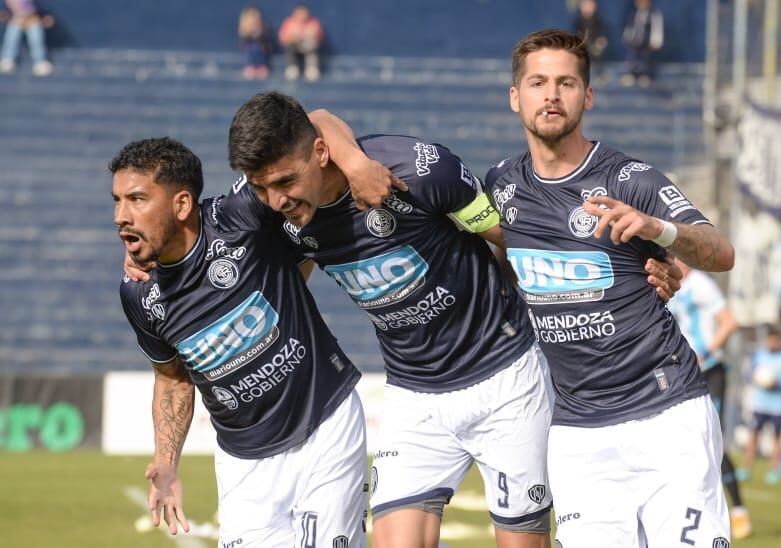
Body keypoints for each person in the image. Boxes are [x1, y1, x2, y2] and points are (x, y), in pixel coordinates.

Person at [224, 92, 684, 548]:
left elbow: (510, 234)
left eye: (284, 182)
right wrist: (148, 264)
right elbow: (201, 234)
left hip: (505, 377)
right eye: (262, 188)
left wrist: (641, 260)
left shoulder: (418, 172)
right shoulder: (270, 205)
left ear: (320, 152)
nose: (275, 200)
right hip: (414, 391)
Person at [484, 29, 735, 546]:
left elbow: (720, 251)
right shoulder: (500, 186)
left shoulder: (630, 179)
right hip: (577, 430)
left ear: (587, 96)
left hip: (666, 413)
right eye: (537, 82)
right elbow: (509, 265)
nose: (551, 94)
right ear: (516, 97)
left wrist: (656, 231)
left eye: (566, 83)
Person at [112, 137, 367, 547]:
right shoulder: (139, 294)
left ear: (180, 205)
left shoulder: (239, 216)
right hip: (243, 461)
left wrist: (355, 163)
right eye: (118, 200)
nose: (120, 216)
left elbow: (301, 133)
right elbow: (173, 379)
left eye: (137, 199)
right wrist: (166, 462)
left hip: (324, 425)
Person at [667, 259, 752, 540]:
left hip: (710, 371)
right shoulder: (670, 284)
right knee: (681, 442)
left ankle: (738, 511)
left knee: (712, 442)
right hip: (683, 373)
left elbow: (729, 322)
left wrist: (705, 349)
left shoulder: (700, 285)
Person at [737, 325, 781, 485]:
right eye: (770, 340)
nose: (772, 343)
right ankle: (746, 467)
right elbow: (750, 374)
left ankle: (774, 469)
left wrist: (779, 385)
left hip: (778, 405)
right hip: (760, 404)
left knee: (777, 437)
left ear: (779, 341)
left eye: (775, 341)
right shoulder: (759, 355)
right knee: (754, 434)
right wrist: (757, 379)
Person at [0, 0, 53, 76]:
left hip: (32, 18)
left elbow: (41, 7)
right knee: (11, 39)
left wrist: (44, 16)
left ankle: (40, 61)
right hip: (16, 19)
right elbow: (6, 8)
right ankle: (8, 60)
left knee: (36, 41)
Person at [621, 0, 663, 87]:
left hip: (648, 42)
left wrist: (656, 41)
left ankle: (646, 74)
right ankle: (631, 73)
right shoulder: (633, 13)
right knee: (632, 53)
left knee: (646, 54)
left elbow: (657, 29)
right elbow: (630, 27)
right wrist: (628, 37)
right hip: (636, 40)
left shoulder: (654, 14)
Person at [279, 3, 323, 81]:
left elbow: (319, 37)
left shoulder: (313, 22)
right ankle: (292, 68)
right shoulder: (289, 22)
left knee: (312, 47)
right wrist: (293, 38)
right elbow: (283, 37)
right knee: (290, 47)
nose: (302, 15)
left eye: (304, 12)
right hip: (295, 47)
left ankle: (312, 68)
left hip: (308, 46)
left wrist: (312, 37)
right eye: (299, 13)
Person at [572, 0, 607, 82]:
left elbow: (602, 34)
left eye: (590, 5)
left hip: (595, 45)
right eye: (585, 5)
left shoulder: (598, 20)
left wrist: (600, 41)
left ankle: (600, 75)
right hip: (584, 43)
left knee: (597, 52)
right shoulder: (578, 21)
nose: (587, 8)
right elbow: (576, 33)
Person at [238, 5, 270, 80]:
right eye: (251, 15)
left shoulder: (261, 25)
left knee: (258, 48)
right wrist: (249, 33)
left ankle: (262, 66)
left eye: (255, 15)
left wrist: (259, 34)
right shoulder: (244, 25)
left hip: (260, 44)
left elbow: (264, 35)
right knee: (251, 49)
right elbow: (243, 34)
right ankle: (250, 66)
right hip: (248, 44)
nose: (253, 18)